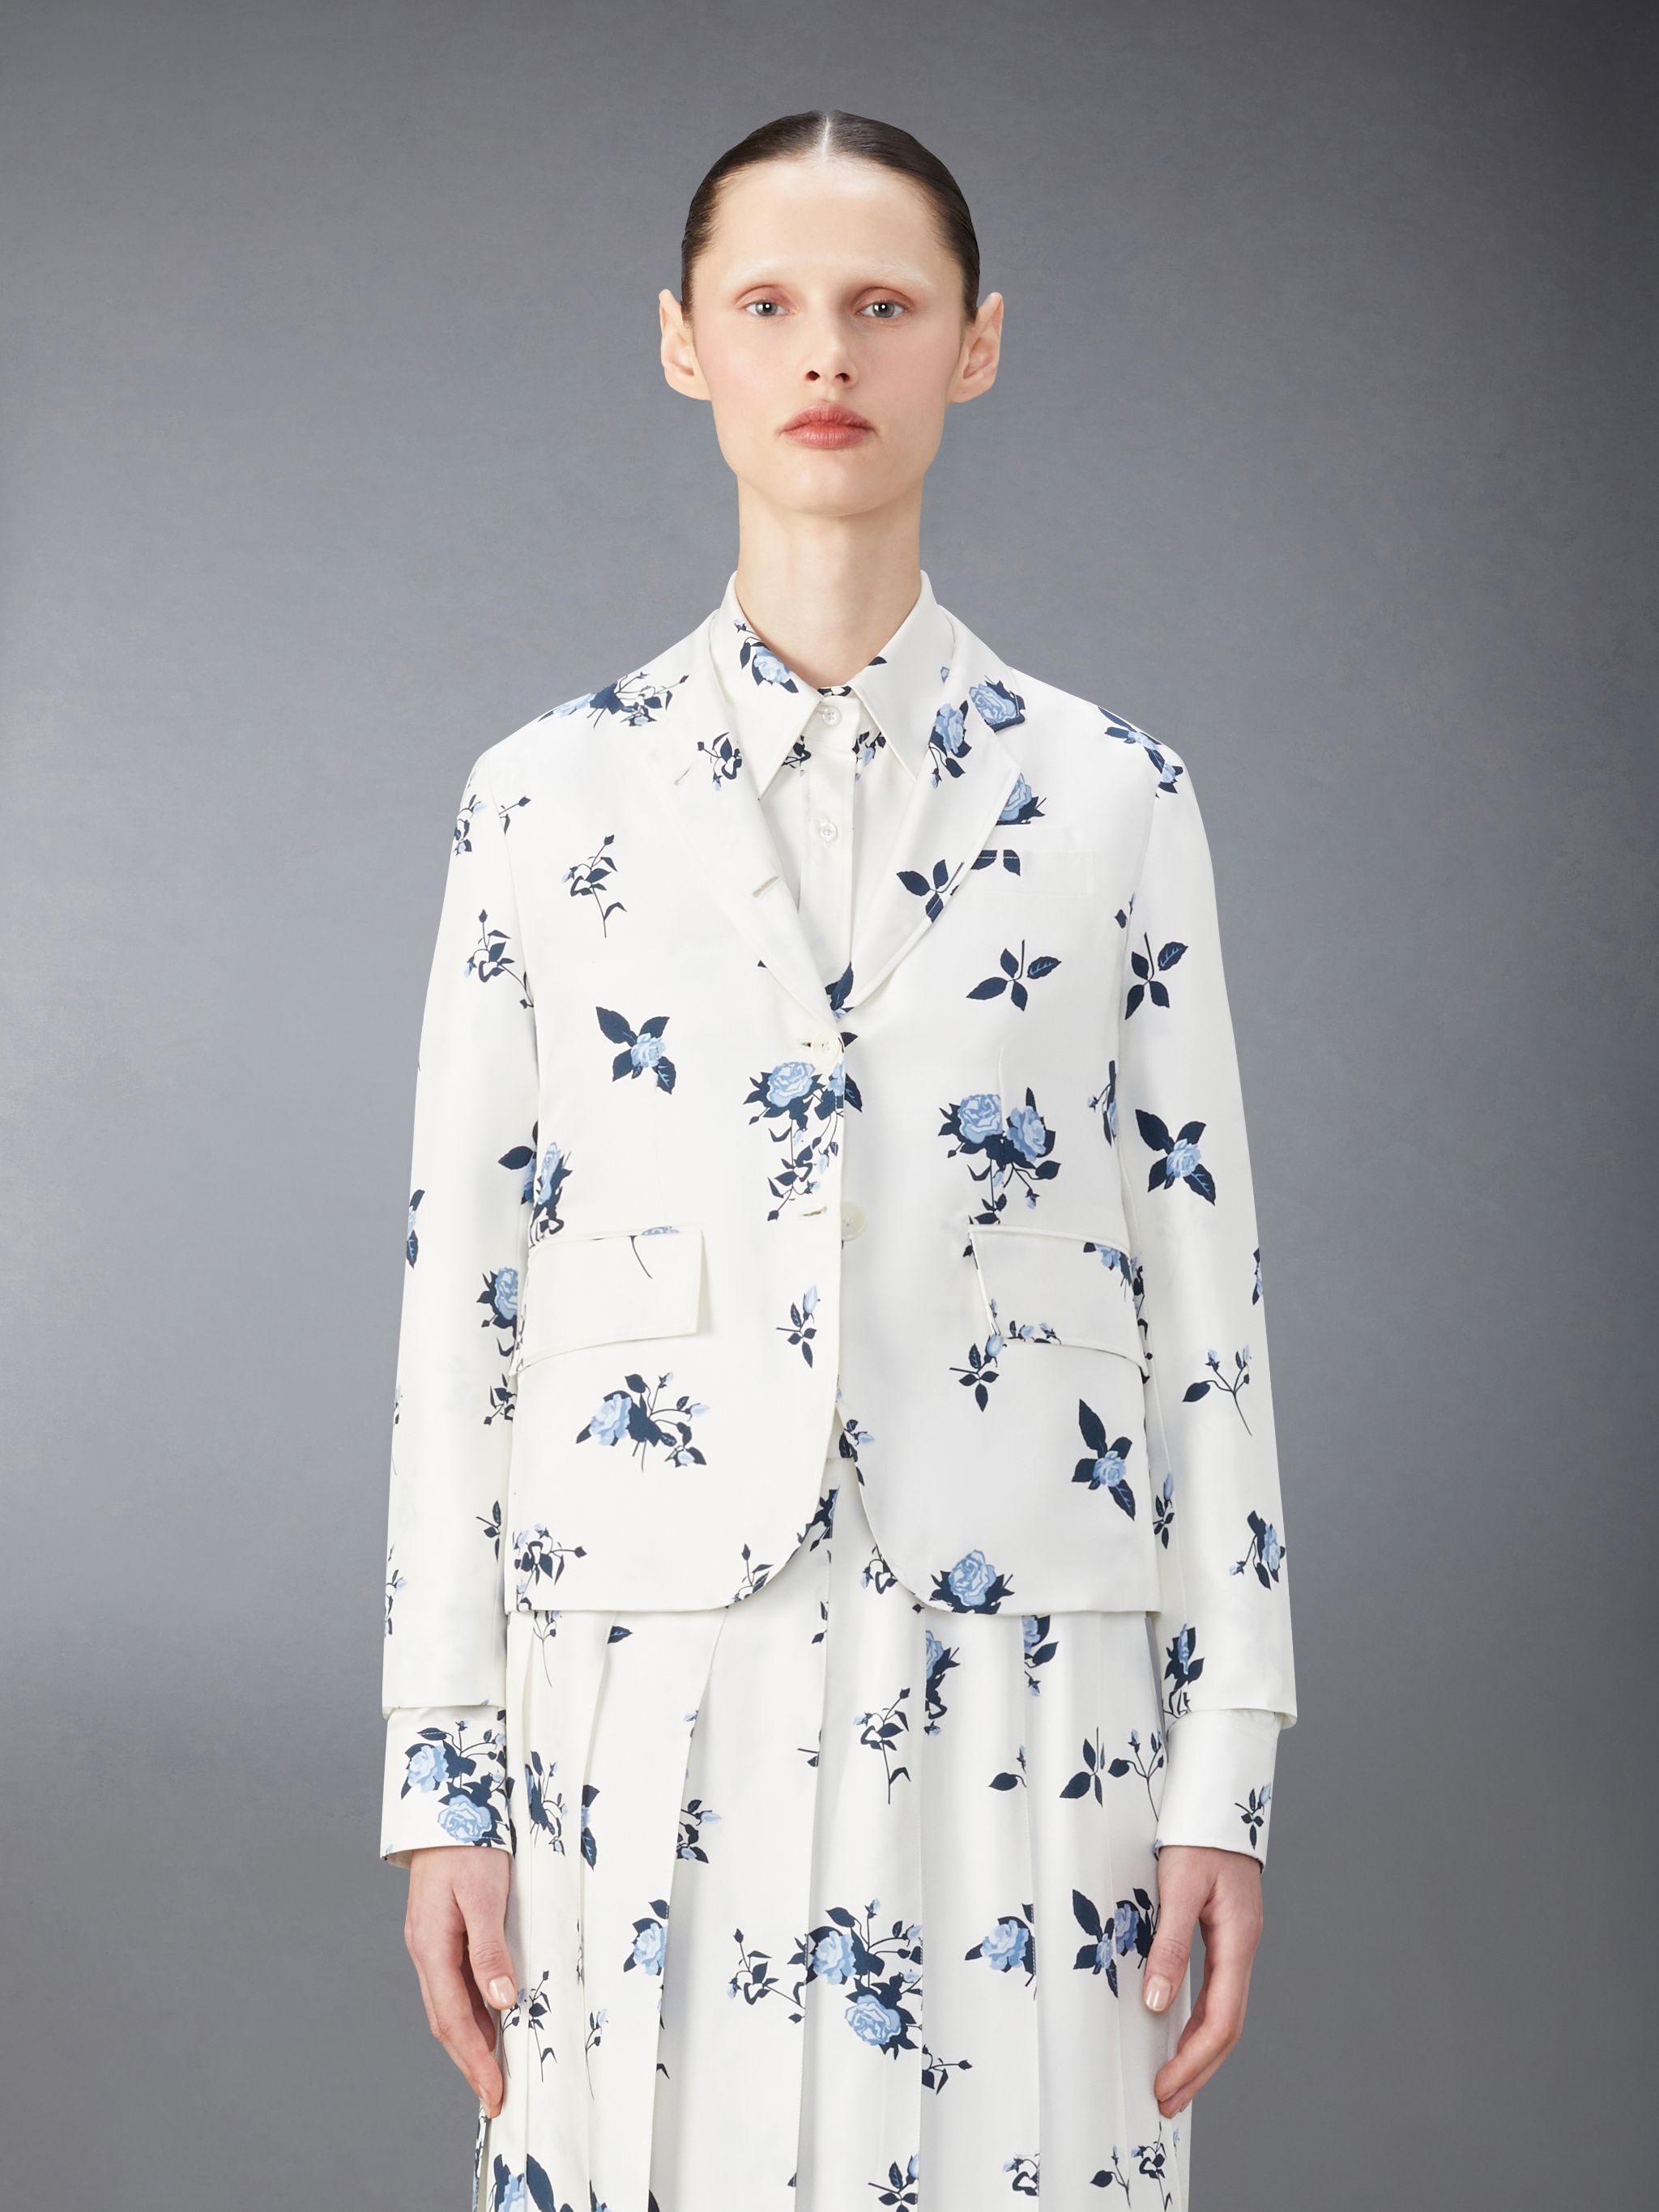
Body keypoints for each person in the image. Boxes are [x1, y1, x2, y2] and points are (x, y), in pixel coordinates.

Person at [378, 109, 1297, 2212]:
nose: (827, 353)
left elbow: (1207, 1294)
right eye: (770, 303)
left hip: (1030, 1674)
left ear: (976, 343)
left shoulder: (1117, 801)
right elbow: (463, 1305)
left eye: (883, 305)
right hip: (634, 1667)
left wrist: (1225, 1769)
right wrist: (442, 1775)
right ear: (683, 343)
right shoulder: (541, 804)